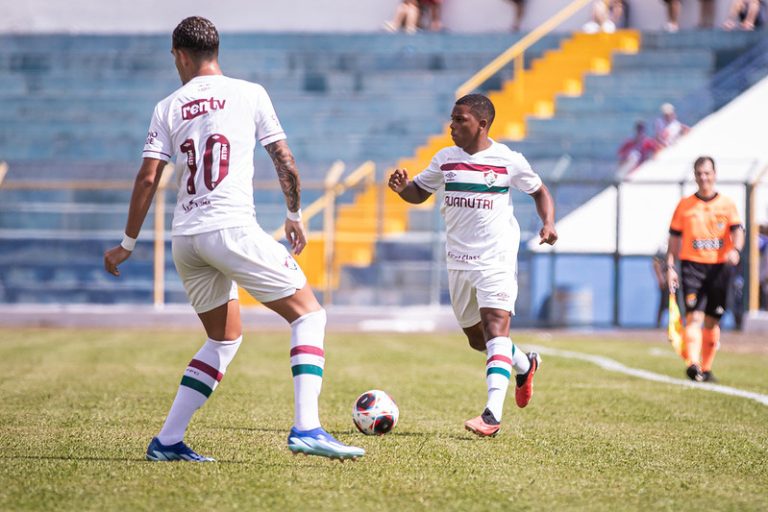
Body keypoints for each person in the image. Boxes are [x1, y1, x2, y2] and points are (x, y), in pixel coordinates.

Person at [103, 16, 364, 462]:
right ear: (215, 51)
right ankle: (307, 428)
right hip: (231, 229)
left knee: (224, 339)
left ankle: (166, 441)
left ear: (180, 55)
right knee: (309, 315)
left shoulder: (167, 106)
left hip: (187, 239)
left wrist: (127, 242)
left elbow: (148, 178)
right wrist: (294, 214)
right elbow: (284, 158)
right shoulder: (250, 93)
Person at [388, 94, 557, 437]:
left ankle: (492, 415)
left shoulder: (507, 160)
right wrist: (403, 188)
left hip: (496, 256)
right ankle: (525, 365)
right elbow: (420, 192)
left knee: (496, 327)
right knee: (478, 340)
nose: (452, 126)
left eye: (460, 120)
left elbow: (539, 191)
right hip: (458, 260)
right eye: (452, 119)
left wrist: (549, 223)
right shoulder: (444, 159)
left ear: (482, 124)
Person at [666, 156, 744, 383]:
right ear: (695, 176)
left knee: (712, 320)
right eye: (699, 173)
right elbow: (673, 241)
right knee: (694, 317)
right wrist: (671, 267)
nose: (703, 177)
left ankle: (706, 369)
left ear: (714, 175)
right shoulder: (685, 206)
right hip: (692, 266)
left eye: (707, 173)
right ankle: (692, 364)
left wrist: (736, 250)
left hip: (720, 268)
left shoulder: (727, 204)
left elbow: (738, 230)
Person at [652, 245, 669, 329]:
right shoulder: (662, 249)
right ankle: (658, 324)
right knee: (663, 303)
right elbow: (655, 263)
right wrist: (660, 278)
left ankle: (677, 323)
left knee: (676, 304)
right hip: (666, 282)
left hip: (673, 281)